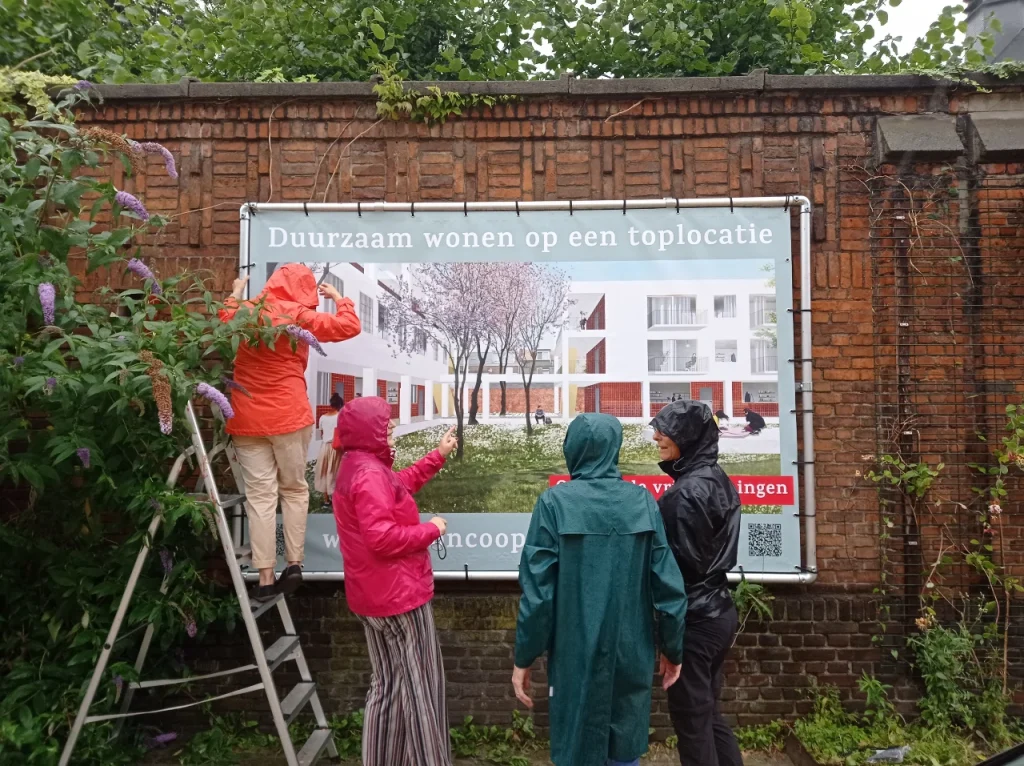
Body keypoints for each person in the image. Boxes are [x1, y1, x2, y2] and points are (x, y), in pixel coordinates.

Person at [512, 413, 689, 766]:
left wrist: (524, 658)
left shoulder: (554, 504)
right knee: (623, 747)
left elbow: (538, 596)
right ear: (614, 449)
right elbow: (669, 588)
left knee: (577, 745)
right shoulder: (641, 503)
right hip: (631, 650)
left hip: (573, 653)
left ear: (572, 448)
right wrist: (673, 648)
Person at [219, 265, 360, 602]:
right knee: (294, 490)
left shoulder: (245, 312)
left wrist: (236, 292)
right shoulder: (297, 314)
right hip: (289, 415)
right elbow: (348, 326)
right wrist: (339, 298)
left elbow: (222, 322)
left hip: (247, 419)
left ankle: (265, 577)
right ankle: (294, 563)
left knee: (260, 496)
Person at [332, 397, 457, 766]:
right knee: (423, 692)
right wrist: (430, 530)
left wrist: (437, 455)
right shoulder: (369, 473)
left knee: (387, 688)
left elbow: (398, 486)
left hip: (372, 599)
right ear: (369, 432)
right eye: (385, 427)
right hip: (400, 598)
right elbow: (382, 538)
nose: (390, 432)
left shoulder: (358, 466)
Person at [649, 400, 743, 766]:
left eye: (665, 429)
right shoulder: (715, 477)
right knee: (708, 714)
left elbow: (675, 574)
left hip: (695, 619)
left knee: (692, 722)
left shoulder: (683, 495)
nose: (656, 435)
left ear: (686, 436)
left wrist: (670, 638)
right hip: (718, 610)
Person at [313, 393, 344, 500]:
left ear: (331, 404)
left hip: (324, 448)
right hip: (336, 448)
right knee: (336, 471)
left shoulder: (322, 417)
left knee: (324, 471)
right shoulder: (340, 416)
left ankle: (326, 499)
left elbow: (322, 434)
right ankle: (336, 498)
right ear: (340, 405)